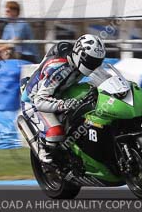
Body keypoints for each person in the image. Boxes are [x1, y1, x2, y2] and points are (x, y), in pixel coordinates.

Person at [21, 34, 105, 162]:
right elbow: (39, 101)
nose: (93, 65)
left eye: (97, 62)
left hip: (60, 93)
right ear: (79, 54)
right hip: (35, 102)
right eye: (91, 61)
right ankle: (47, 154)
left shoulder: (78, 60)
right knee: (56, 133)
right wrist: (63, 105)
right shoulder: (59, 69)